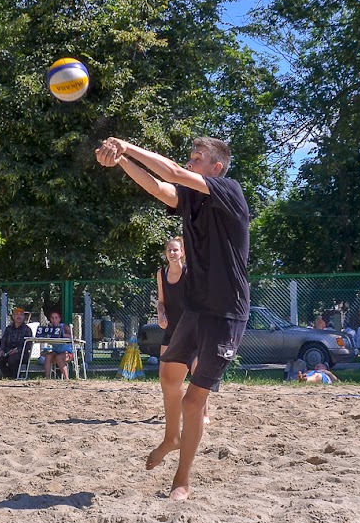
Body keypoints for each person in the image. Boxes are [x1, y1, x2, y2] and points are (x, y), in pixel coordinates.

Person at [96, 135, 250, 501]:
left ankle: (182, 480)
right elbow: (161, 187)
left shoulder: (229, 190)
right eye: (191, 156)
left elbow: (174, 173)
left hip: (226, 312)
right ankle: (171, 437)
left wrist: (127, 146)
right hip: (197, 307)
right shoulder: (193, 199)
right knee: (168, 374)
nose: (191, 161)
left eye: (199, 157)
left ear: (217, 167)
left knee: (193, 401)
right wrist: (120, 160)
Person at [156, 237, 210, 425]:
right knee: (165, 375)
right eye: (169, 250)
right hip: (172, 329)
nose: (172, 253)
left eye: (176, 250)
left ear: (183, 253)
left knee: (197, 370)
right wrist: (161, 313)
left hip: (192, 328)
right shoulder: (161, 273)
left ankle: (204, 414)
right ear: (166, 253)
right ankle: (172, 414)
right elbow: (161, 301)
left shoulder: (190, 273)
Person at [0, 307, 33, 378]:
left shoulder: (27, 329)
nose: (19, 316)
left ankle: (15, 376)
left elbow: (29, 344)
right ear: (13, 316)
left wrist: (18, 350)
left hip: (21, 353)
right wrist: (1, 350)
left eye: (21, 315)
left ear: (23, 317)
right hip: (7, 351)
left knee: (12, 359)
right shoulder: (8, 328)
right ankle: (8, 374)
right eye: (17, 314)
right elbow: (3, 340)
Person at [36, 310, 72, 379]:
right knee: (48, 356)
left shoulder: (64, 326)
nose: (54, 320)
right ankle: (47, 378)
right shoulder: (49, 328)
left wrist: (61, 334)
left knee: (59, 357)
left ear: (59, 319)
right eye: (52, 318)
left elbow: (72, 336)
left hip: (68, 353)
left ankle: (67, 379)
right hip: (56, 351)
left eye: (56, 318)